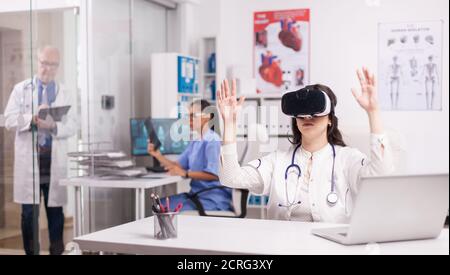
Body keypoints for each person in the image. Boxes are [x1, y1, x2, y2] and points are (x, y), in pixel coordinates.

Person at [217, 68, 394, 222]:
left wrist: (373, 112)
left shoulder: (347, 159)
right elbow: (230, 177)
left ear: (330, 120)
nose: (307, 118)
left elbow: (382, 174)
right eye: (301, 114)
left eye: (315, 113)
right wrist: (230, 125)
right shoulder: (277, 161)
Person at [4, 46, 76, 254]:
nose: (48, 68)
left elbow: (72, 125)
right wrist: (31, 120)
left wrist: (53, 126)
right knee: (29, 215)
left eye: (53, 64)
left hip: (53, 163)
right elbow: (8, 119)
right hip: (30, 164)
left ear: (58, 67)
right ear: (37, 62)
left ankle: (56, 251)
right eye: (44, 63)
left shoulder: (65, 92)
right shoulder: (21, 89)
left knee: (55, 214)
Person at [147, 100, 232, 212]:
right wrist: (157, 155)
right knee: (159, 204)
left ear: (207, 117)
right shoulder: (196, 141)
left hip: (211, 198)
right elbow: (176, 165)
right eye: (188, 116)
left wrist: (186, 173)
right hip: (196, 195)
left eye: (193, 116)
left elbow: (215, 175)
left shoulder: (213, 140)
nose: (189, 120)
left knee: (163, 209)